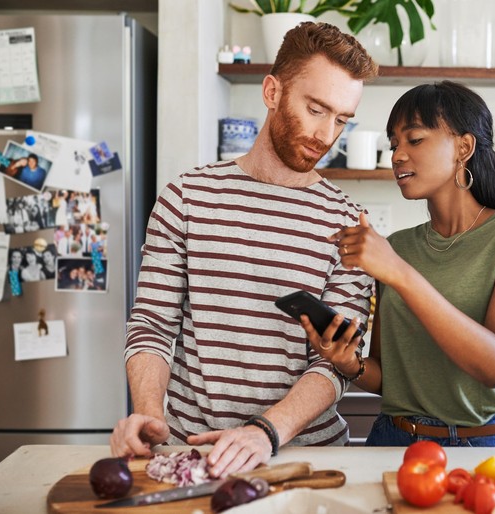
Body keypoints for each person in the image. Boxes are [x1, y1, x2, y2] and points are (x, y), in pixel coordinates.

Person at [111, 22, 379, 477]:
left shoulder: (348, 224)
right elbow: (152, 326)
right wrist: (150, 414)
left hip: (304, 461)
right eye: (315, 109)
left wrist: (265, 431)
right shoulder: (186, 197)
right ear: (272, 91)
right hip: (190, 454)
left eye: (341, 119)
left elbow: (334, 363)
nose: (325, 134)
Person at [306, 81, 495, 447]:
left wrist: (399, 273)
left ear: (463, 147)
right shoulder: (399, 246)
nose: (398, 155)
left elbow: (494, 365)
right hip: (394, 438)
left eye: (414, 140)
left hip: (482, 445)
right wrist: (348, 363)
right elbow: (387, 377)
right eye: (393, 145)